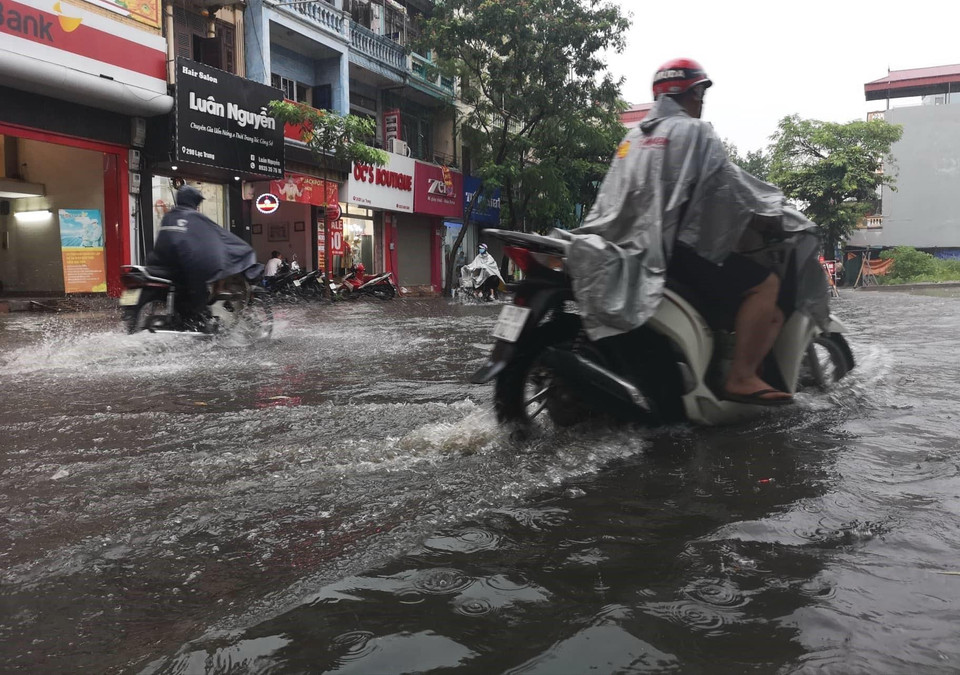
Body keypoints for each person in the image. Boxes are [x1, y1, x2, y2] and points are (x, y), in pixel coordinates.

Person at [564, 58, 824, 406]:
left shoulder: (632, 138)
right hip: (673, 255)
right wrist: (774, 209)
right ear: (686, 93)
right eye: (699, 92)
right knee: (767, 285)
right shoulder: (696, 132)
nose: (702, 100)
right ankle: (742, 377)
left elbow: (612, 200)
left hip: (620, 247)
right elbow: (728, 188)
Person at [147, 185, 263, 331]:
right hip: (185, 267)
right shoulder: (195, 217)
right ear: (194, 202)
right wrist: (243, 250)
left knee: (185, 292)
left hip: (162, 265)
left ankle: (187, 320)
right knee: (200, 292)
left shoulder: (169, 216)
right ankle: (197, 323)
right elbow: (221, 236)